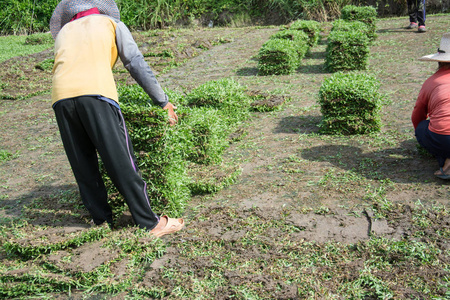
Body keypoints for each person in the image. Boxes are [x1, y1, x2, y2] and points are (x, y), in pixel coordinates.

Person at [49, 0, 184, 236]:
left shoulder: (64, 32)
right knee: (121, 160)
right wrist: (162, 100)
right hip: (96, 94)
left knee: (83, 164)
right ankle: (150, 223)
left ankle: (101, 220)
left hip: (60, 99)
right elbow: (134, 62)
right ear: (100, 8)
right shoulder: (111, 23)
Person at [412, 33, 450, 179]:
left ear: (439, 61)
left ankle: (446, 160)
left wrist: (420, 132)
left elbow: (418, 114)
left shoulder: (432, 82)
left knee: (422, 127)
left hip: (444, 138)